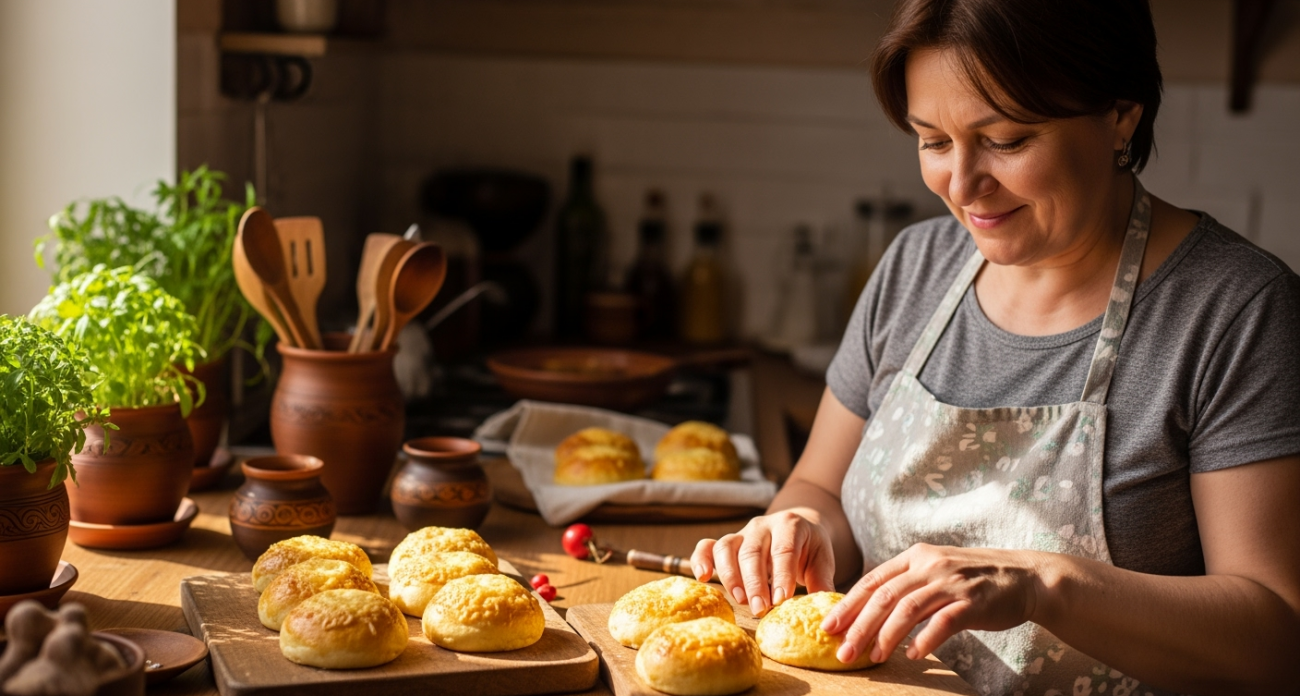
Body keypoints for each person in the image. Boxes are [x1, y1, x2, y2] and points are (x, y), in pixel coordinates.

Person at [691, 1, 1300, 694]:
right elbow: (820, 486)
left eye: (1006, 141)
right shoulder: (914, 268)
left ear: (1121, 114)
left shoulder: (1236, 310)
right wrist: (799, 528)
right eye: (933, 140)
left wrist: (1041, 583)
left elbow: (1276, 637)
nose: (961, 184)